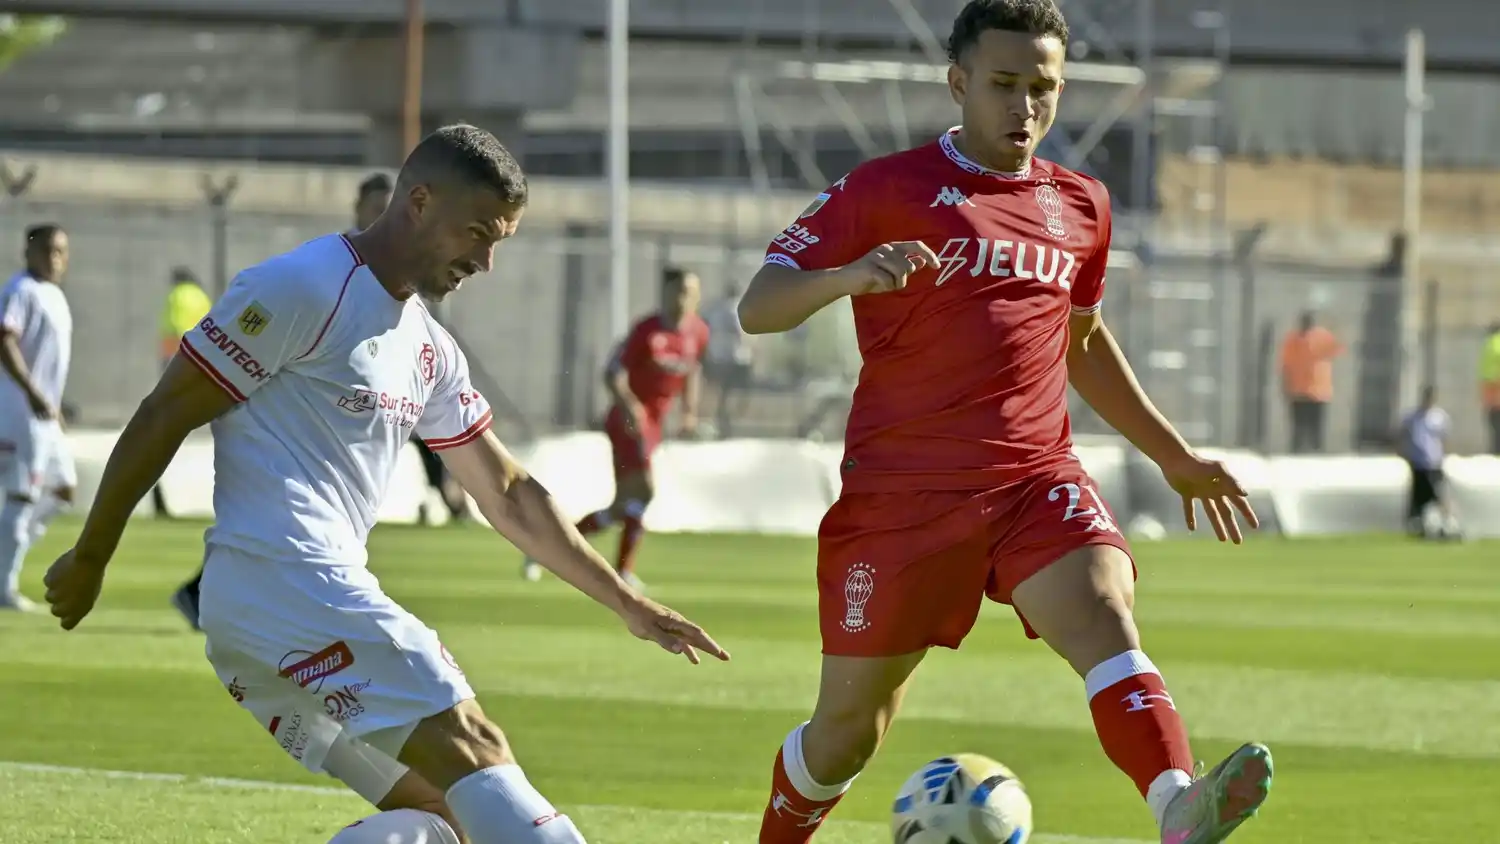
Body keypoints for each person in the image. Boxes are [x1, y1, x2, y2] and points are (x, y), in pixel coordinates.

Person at [42, 125, 728, 844]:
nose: (487, 262)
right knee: (476, 750)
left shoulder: (427, 346)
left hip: (265, 613)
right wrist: (92, 556)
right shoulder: (301, 288)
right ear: (419, 203)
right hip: (289, 579)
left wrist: (624, 600)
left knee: (447, 817)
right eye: (477, 234)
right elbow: (163, 414)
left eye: (500, 243)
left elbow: (506, 489)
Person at [734, 3, 1272, 843]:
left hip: (1033, 480)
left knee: (1104, 608)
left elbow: (1082, 344)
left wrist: (1176, 457)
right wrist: (847, 276)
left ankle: (1177, 802)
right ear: (958, 83)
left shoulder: (1081, 204)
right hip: (900, 503)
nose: (1025, 107)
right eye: (1004, 85)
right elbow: (757, 307)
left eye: (1043, 88)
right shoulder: (883, 189)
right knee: (846, 735)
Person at [170, 173, 450, 631]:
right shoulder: (321, 276)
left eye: (390, 206)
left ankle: (215, 594)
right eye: (375, 206)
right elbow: (165, 410)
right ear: (357, 209)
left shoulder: (406, 302)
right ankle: (214, 595)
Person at [523, 267, 708, 590]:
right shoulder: (646, 331)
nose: (685, 299)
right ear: (665, 293)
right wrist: (631, 407)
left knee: (624, 505)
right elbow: (612, 372)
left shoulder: (698, 332)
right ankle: (621, 571)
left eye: (691, 293)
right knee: (645, 490)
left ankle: (546, 549)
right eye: (679, 291)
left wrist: (689, 412)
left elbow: (692, 371)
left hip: (654, 424)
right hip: (628, 422)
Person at [0, 224, 74, 612]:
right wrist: (32, 393)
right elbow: (4, 338)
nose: (54, 258)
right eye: (46, 250)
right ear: (28, 252)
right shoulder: (20, 290)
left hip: (45, 415)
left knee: (63, 490)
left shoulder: (55, 296)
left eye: (60, 251)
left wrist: (54, 406)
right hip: (19, 412)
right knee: (21, 494)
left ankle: (6, 552)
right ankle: (3, 587)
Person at [1398, 385, 1460, 540]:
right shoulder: (1413, 417)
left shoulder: (1439, 417)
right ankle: (1418, 527)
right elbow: (1403, 435)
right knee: (1419, 497)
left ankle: (1450, 526)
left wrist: (1444, 456)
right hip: (1418, 463)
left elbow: (1444, 439)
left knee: (1440, 495)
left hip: (1434, 463)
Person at [1278, 310, 1343, 454]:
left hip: (1318, 391)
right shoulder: (1293, 339)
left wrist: (1335, 326)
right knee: (1299, 424)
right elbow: (1285, 365)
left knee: (1315, 425)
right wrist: (1284, 386)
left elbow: (1337, 349)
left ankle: (1315, 450)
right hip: (1299, 391)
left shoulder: (1322, 336)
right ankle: (1297, 450)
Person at [702, 281, 755, 438]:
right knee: (737, 392)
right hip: (736, 357)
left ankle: (723, 420)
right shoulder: (736, 308)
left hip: (718, 356)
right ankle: (728, 422)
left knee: (723, 392)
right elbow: (743, 331)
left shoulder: (716, 308)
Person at [1480, 321, 1500, 455]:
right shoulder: (1497, 343)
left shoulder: (1487, 344)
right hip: (1497, 385)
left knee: (1493, 421)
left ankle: (1494, 449)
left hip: (1488, 388)